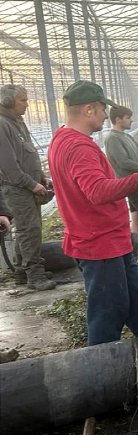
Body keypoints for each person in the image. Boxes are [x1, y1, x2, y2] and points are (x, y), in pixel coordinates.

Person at [48, 80, 138, 346]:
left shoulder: (62, 139)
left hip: (110, 239)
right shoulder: (79, 147)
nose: (105, 115)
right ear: (88, 110)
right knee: (107, 313)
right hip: (99, 244)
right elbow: (98, 191)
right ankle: (100, 369)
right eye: (102, 109)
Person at [0, 84, 56, 290]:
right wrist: (31, 184)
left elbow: (28, 153)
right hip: (16, 188)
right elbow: (8, 166)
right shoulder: (2, 125)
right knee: (29, 230)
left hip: (27, 186)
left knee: (26, 229)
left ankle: (22, 273)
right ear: (8, 102)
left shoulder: (17, 123)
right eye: (22, 100)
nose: (27, 103)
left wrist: (40, 176)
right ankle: (35, 276)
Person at [105, 105, 138, 235]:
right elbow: (123, 162)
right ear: (119, 119)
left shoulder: (127, 137)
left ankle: (135, 242)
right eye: (128, 118)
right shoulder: (113, 138)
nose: (131, 120)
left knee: (136, 213)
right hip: (130, 182)